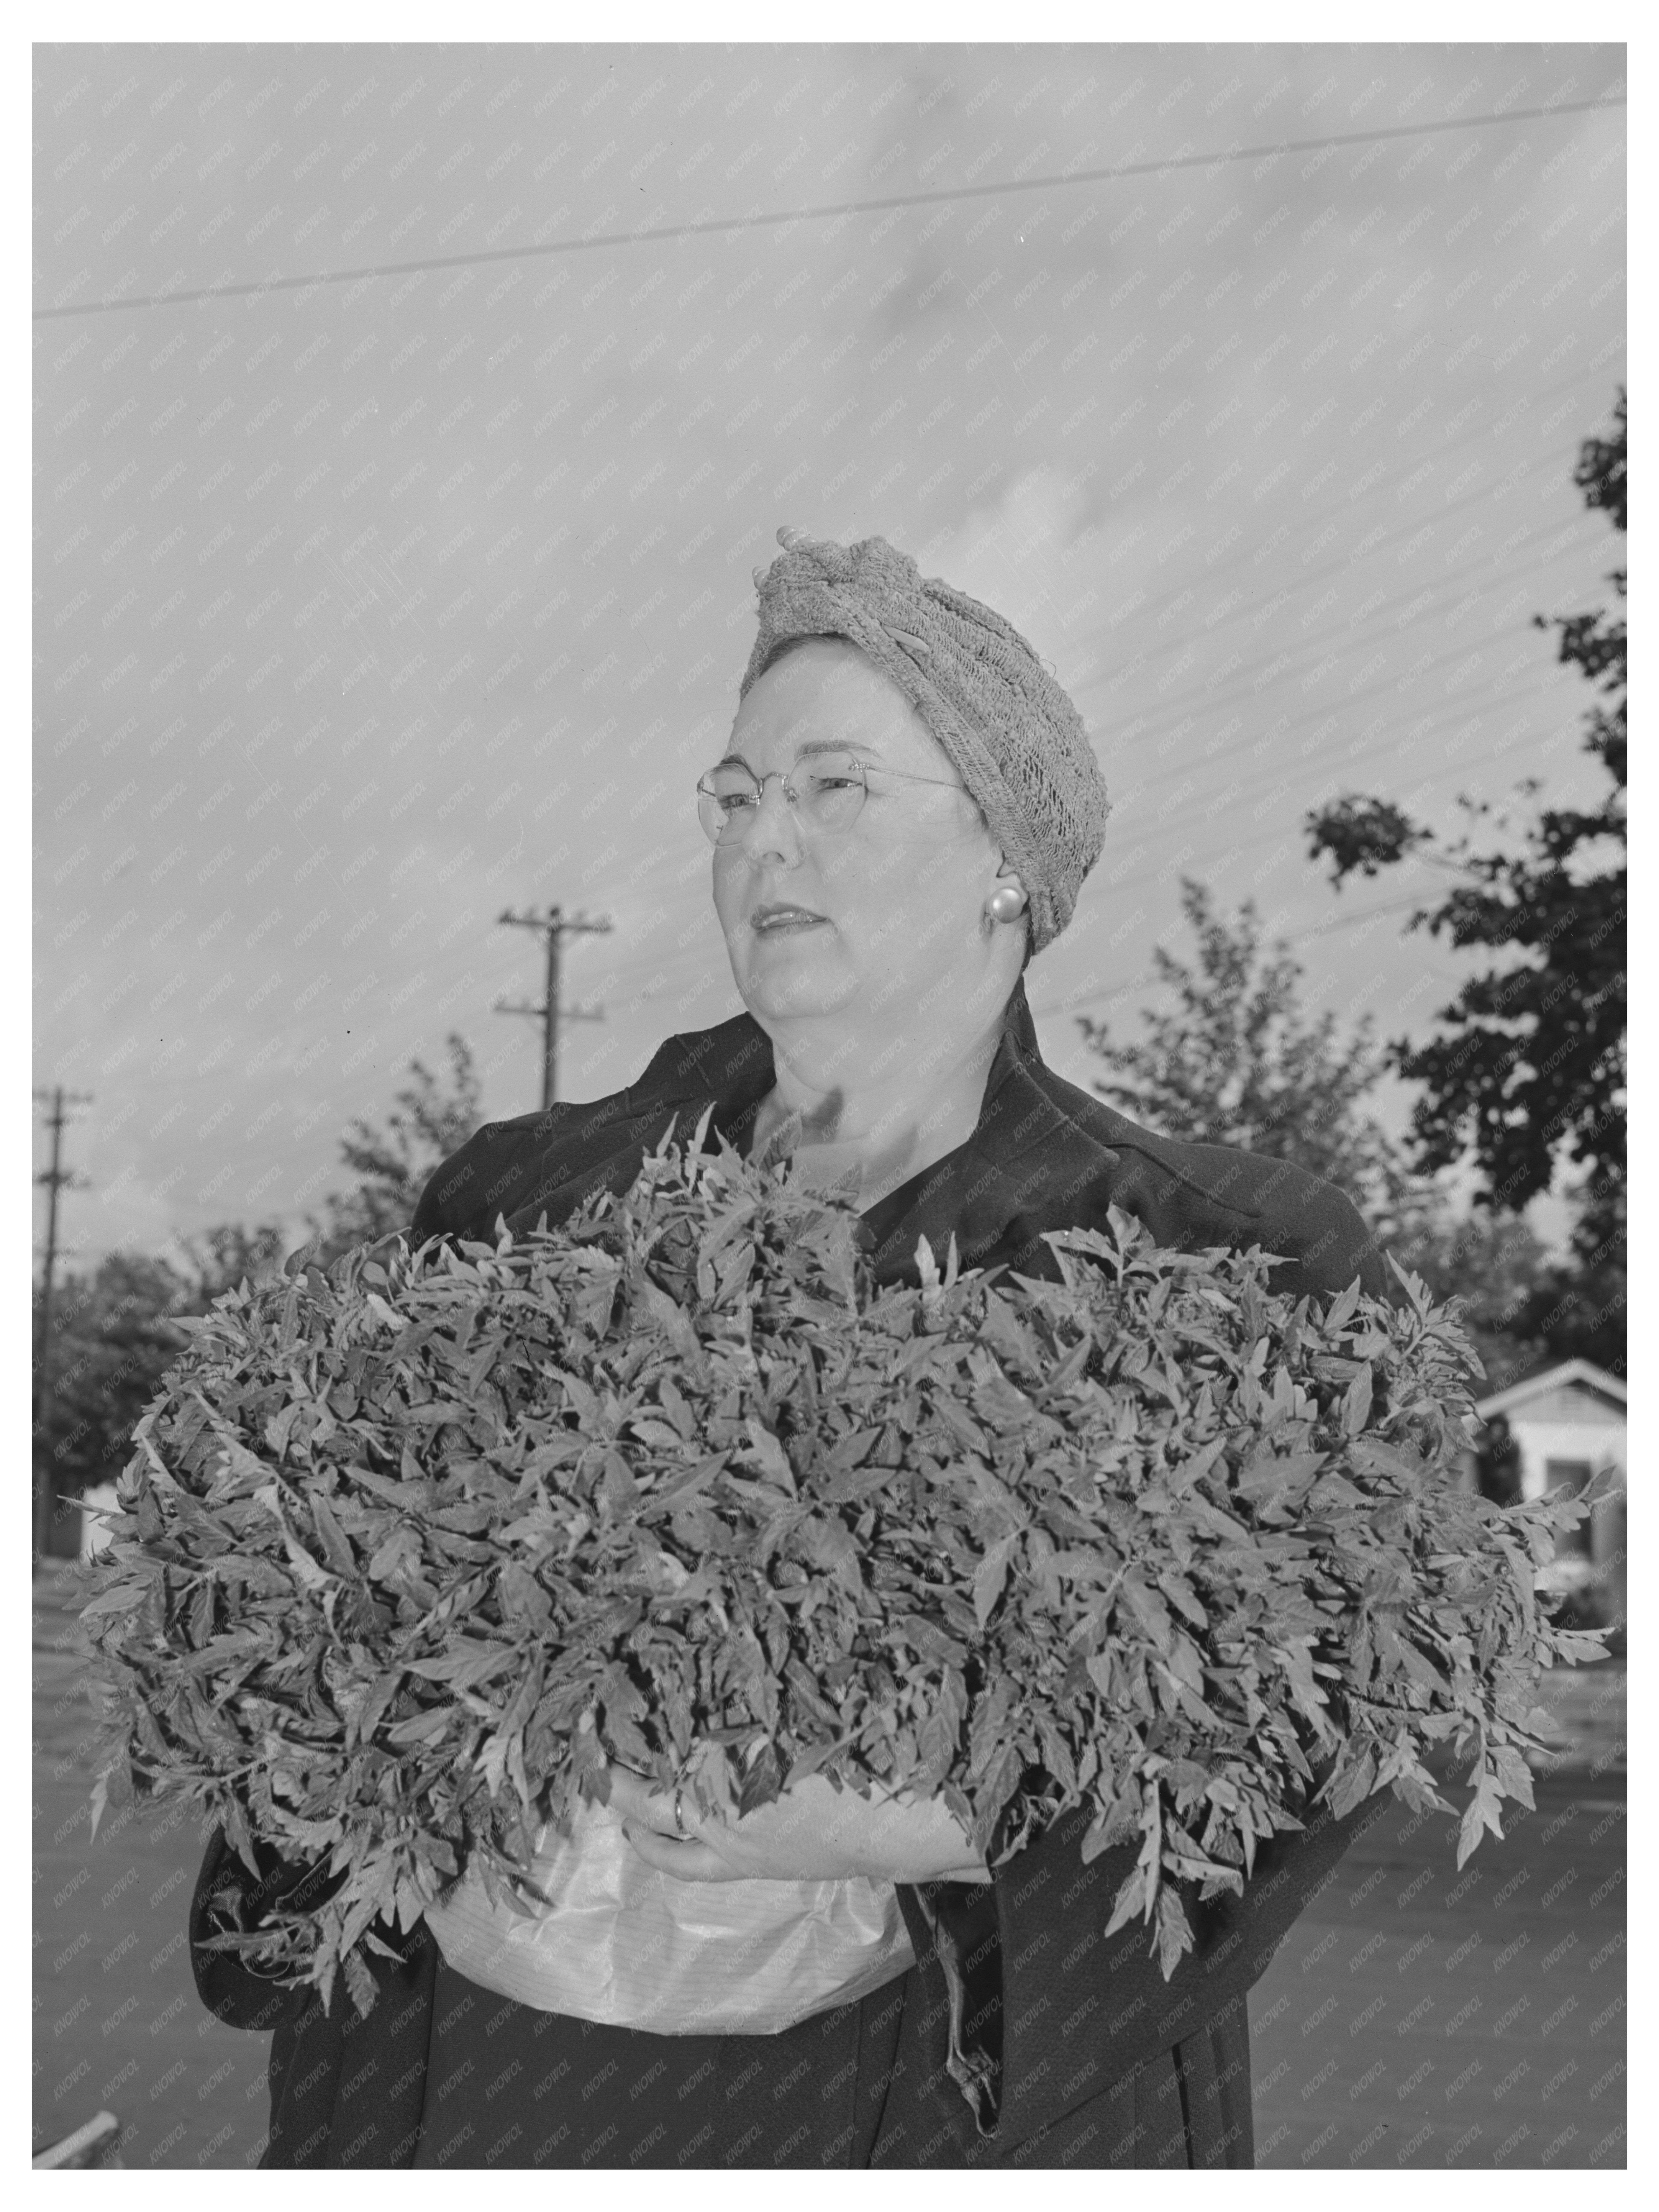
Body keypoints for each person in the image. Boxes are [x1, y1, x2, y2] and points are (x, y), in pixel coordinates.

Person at [190, 526, 1393, 2168]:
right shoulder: (524, 1197)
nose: (766, 842)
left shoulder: (1229, 1252)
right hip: (490, 2089)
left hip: (932, 2109)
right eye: (735, 795)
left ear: (1005, 864)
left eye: (835, 791)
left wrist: (938, 1816)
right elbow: (318, 1614)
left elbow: (1324, 1721)